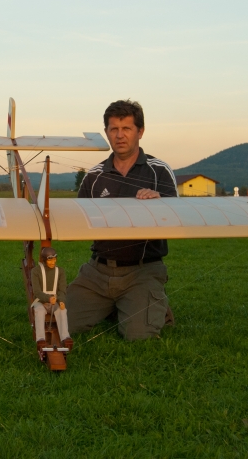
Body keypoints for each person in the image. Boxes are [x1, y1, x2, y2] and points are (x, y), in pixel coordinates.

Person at [66, 99, 178, 341]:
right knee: (61, 325)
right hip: (98, 271)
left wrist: (159, 202)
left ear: (140, 131)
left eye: (126, 128)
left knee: (138, 336)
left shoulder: (159, 171)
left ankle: (151, 302)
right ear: (106, 132)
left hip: (143, 269)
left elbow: (176, 217)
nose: (120, 135)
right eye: (113, 129)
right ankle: (118, 304)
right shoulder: (93, 176)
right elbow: (79, 220)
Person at [30, 246, 72, 351]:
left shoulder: (60, 271)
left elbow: (62, 290)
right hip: (40, 301)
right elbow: (37, 292)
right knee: (39, 311)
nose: (53, 262)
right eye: (50, 260)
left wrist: (61, 300)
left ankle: (65, 337)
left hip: (55, 301)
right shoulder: (36, 271)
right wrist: (48, 298)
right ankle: (40, 339)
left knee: (62, 311)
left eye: (54, 259)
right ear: (44, 260)